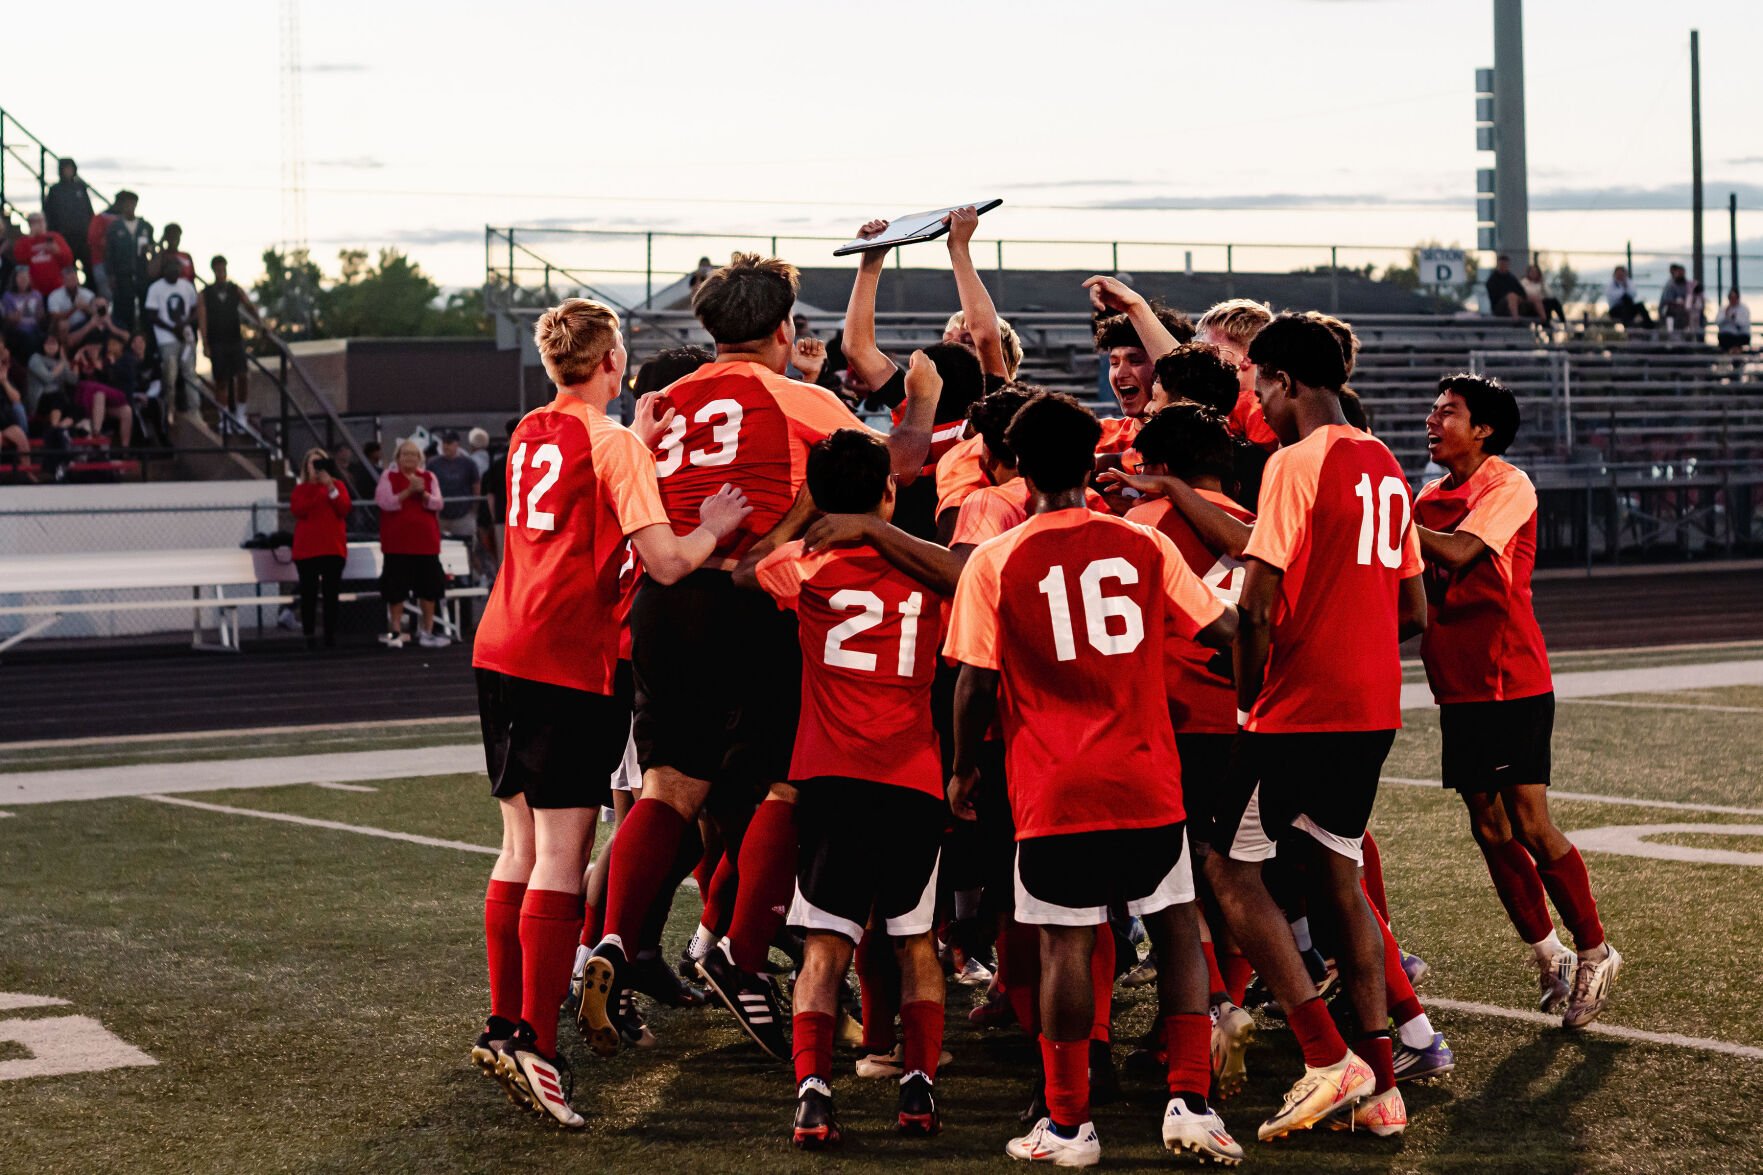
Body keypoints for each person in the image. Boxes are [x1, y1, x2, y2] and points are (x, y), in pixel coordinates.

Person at [578, 252, 937, 1063]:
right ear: (782, 331)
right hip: (755, 598)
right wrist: (919, 400)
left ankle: (610, 945)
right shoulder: (796, 396)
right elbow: (892, 466)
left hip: (665, 599)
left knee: (668, 786)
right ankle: (738, 957)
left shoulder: (668, 400)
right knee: (785, 785)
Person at [469, 297, 750, 1128]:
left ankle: (502, 1023)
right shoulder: (613, 439)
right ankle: (536, 1047)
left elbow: (584, 489)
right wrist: (711, 529)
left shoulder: (531, 427)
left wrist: (642, 437)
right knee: (562, 855)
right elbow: (664, 561)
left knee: (518, 846)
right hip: (565, 656)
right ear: (612, 362)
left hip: (500, 644)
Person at [944, 392, 1241, 1167]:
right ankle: (1191, 1100)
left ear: (1009, 464)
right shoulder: (1140, 544)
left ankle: (1070, 1124)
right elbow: (1224, 629)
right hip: (1145, 772)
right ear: (1092, 463)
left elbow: (972, 681)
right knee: (1177, 922)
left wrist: (963, 765)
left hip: (1053, 781)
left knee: (1065, 945)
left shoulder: (994, 559)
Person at [1204, 313, 1427, 1143]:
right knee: (1337, 876)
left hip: (1301, 706)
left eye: (1258, 383)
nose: (1255, 400)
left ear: (1287, 382)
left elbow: (1256, 604)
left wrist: (1249, 693)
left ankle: (1325, 1053)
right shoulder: (1385, 460)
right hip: (1371, 707)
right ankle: (1378, 1086)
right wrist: (1349, 636)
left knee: (1227, 868)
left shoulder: (1295, 462)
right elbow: (1411, 606)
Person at [729, 428, 952, 1148]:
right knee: (916, 942)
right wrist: (876, 525)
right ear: (889, 489)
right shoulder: (927, 570)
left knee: (824, 946)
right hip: (914, 774)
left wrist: (803, 516)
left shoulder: (808, 566)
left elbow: (745, 569)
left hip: (829, 777)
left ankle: (813, 1093)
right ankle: (917, 1085)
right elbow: (972, 574)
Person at [1415, 374, 1620, 1028]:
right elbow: (1418, 596)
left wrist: (1385, 512)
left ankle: (1594, 946)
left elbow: (1458, 551)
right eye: (1433, 408)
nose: (1431, 419)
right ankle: (1548, 953)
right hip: (1456, 679)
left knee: (1528, 819)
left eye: (1447, 411)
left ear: (1482, 430)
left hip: (1509, 676)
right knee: (1486, 822)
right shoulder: (1423, 496)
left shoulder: (1507, 485)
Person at [374, 439, 450, 648]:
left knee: (429, 588)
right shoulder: (388, 477)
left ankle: (427, 631)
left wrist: (422, 493)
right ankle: (395, 632)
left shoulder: (429, 477)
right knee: (395, 589)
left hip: (425, 544)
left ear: (420, 459)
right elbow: (384, 502)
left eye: (413, 455)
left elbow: (438, 503)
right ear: (397, 458)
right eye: (405, 454)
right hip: (397, 544)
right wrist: (407, 491)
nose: (409, 458)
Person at [290, 448, 352, 650]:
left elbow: (344, 509)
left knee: (331, 594)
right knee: (308, 594)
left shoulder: (338, 486)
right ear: (306, 467)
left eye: (320, 463)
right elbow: (299, 510)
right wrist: (319, 492)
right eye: (312, 463)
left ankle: (330, 635)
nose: (316, 468)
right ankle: (309, 634)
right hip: (307, 549)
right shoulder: (300, 490)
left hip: (332, 548)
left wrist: (330, 488)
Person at [198, 256, 266, 430]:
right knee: (221, 380)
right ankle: (224, 417)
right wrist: (205, 343)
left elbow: (249, 305)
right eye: (218, 269)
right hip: (217, 341)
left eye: (223, 269)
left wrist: (260, 323)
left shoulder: (235, 289)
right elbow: (203, 318)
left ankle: (240, 414)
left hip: (234, 339)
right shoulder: (205, 293)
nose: (221, 273)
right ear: (214, 270)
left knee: (242, 376)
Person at [144, 255, 197, 425]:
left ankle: (194, 411)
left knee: (190, 374)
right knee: (170, 376)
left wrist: (184, 325)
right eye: (170, 267)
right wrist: (172, 328)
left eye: (177, 267)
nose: (174, 271)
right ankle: (170, 410)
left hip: (186, 337)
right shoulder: (155, 288)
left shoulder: (187, 286)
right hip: (166, 339)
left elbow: (196, 309)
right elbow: (151, 315)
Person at [103, 191, 154, 332]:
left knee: (144, 312)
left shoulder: (145, 226)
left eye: (132, 203)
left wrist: (149, 249)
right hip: (122, 276)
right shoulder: (114, 228)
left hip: (141, 274)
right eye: (126, 203)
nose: (129, 206)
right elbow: (109, 253)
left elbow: (153, 248)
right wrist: (111, 275)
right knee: (124, 311)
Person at [428, 429, 483, 547]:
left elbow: (476, 486)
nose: (445, 446)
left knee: (467, 548)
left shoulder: (469, 463)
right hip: (440, 516)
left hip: (463, 516)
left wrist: (474, 510)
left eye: (449, 443)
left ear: (457, 444)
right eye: (444, 443)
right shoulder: (433, 464)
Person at [45, 160, 95, 275]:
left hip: (83, 237)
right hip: (64, 238)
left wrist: (90, 231)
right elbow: (49, 214)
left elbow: (89, 211)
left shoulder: (81, 188)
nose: (68, 171)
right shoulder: (55, 190)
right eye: (66, 168)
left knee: (89, 269)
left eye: (71, 168)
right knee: (68, 269)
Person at [13, 212, 74, 300]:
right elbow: (19, 261)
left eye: (42, 221)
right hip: (34, 291)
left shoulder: (55, 237)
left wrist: (57, 251)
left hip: (57, 288)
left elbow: (68, 260)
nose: (41, 224)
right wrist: (32, 239)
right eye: (36, 222)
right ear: (30, 224)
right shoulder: (23, 242)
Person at [3, 268, 47, 356]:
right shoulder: (8, 296)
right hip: (18, 331)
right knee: (29, 339)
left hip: (36, 329)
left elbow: (42, 318)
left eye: (26, 277)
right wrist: (13, 319)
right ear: (15, 279)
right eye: (20, 277)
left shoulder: (37, 295)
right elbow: (6, 320)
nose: (23, 280)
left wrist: (41, 316)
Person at [47, 266, 96, 340]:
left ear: (77, 279)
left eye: (73, 279)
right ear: (63, 281)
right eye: (68, 279)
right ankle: (64, 348)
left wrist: (85, 308)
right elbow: (54, 316)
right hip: (65, 326)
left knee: (95, 322)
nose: (71, 282)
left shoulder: (88, 294)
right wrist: (74, 308)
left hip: (84, 324)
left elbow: (97, 313)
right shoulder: (54, 295)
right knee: (63, 324)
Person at [1485, 254, 1525, 319]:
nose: (1504, 266)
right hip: (1499, 307)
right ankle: (1516, 319)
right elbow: (1493, 296)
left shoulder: (1511, 278)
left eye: (1505, 264)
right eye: (1502, 264)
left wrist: (1519, 297)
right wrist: (1508, 296)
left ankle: (1544, 320)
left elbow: (1521, 291)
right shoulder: (1492, 279)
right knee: (1511, 296)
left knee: (1533, 297)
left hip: (1515, 302)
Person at [1658, 264, 1691, 332]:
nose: (1680, 274)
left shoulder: (1687, 285)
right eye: (1679, 273)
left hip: (1683, 309)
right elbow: (1667, 301)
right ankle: (1670, 332)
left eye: (1682, 273)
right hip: (1669, 308)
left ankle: (1689, 332)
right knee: (1671, 310)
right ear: (1675, 273)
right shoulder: (1670, 285)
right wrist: (1677, 302)